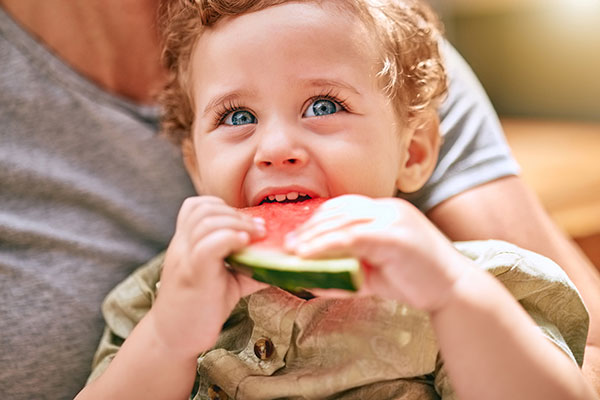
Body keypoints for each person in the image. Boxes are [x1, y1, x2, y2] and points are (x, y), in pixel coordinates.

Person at [1, 0, 599, 399]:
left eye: (323, 106)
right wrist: (167, 340)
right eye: (238, 116)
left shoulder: (471, 286)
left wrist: (456, 298)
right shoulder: (160, 301)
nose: (277, 147)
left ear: (414, 152)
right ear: (195, 165)